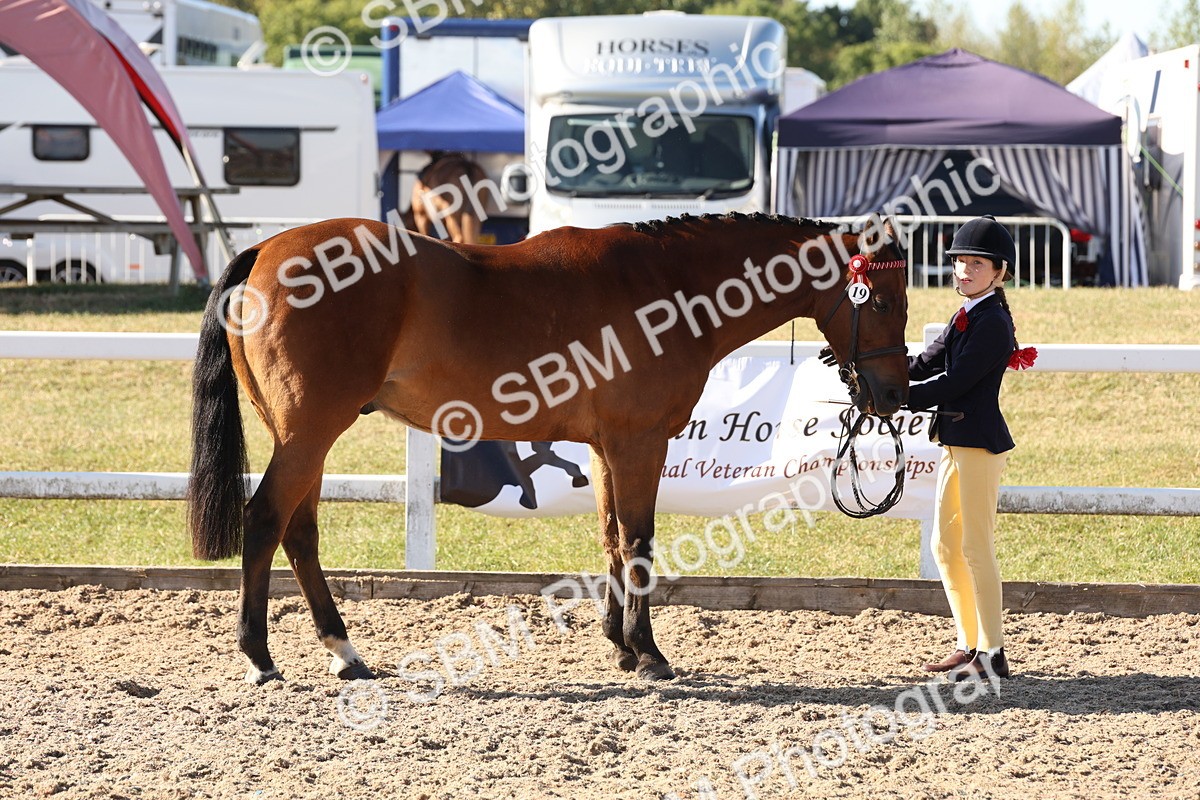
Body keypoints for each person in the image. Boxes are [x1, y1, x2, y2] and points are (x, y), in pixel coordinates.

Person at [907, 215, 1037, 681]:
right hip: (953, 441)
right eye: (959, 262)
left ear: (1000, 271)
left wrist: (898, 398)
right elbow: (924, 364)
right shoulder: (964, 315)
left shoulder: (993, 323)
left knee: (977, 546)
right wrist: (868, 367)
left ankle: (994, 653)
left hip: (979, 444)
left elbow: (955, 382)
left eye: (974, 264)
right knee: (945, 545)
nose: (963, 270)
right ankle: (969, 644)